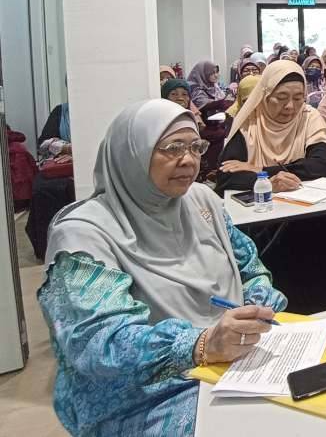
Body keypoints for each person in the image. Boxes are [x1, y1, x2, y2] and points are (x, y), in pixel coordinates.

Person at [39, 99, 286, 436]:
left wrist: (259, 305)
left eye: (195, 147)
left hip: (236, 361)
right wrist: (201, 344)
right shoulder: (84, 235)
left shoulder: (202, 201)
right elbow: (99, 342)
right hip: (145, 393)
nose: (188, 160)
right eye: (172, 148)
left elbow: (250, 268)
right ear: (133, 155)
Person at [217, 61, 326, 311]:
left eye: (298, 98)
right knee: (279, 260)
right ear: (266, 94)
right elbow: (226, 177)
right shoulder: (248, 124)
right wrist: (271, 182)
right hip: (266, 220)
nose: (290, 107)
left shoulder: (309, 117)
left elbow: (319, 165)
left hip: (315, 213)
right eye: (281, 98)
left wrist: (258, 172)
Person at [27, 103, 76, 260]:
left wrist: (80, 153)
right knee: (43, 190)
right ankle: (49, 247)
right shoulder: (61, 111)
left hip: (89, 163)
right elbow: (44, 143)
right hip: (62, 164)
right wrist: (67, 147)